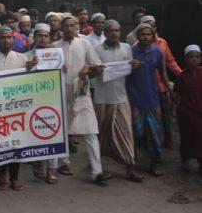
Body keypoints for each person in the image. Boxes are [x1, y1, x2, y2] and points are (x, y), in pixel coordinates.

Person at [53, 16, 111, 183]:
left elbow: (98, 67)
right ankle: (63, 162)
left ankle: (97, 171)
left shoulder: (85, 44)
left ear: (77, 27)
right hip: (61, 93)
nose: (70, 29)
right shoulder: (55, 47)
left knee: (90, 131)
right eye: (67, 26)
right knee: (62, 130)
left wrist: (89, 67)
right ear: (61, 28)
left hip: (82, 92)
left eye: (73, 25)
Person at [0, 26, 36, 192]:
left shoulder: (21, 58)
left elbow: (30, 79)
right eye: (3, 38)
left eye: (9, 37)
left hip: (17, 110)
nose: (6, 41)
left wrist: (32, 67)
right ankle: (1, 173)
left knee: (17, 144)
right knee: (1, 144)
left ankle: (14, 178)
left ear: (14, 39)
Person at [93, 20, 143, 182]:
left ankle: (130, 167)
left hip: (121, 98)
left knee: (126, 134)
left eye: (117, 31)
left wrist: (133, 67)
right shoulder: (96, 49)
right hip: (101, 98)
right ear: (105, 33)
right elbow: (92, 74)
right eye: (111, 31)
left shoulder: (127, 48)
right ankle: (96, 166)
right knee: (100, 134)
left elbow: (128, 72)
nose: (114, 34)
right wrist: (96, 69)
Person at [126, 23, 170, 177]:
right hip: (134, 98)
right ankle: (132, 164)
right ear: (137, 36)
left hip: (152, 98)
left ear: (152, 36)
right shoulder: (129, 52)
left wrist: (169, 91)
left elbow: (163, 73)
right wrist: (130, 69)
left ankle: (154, 163)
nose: (146, 37)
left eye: (148, 34)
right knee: (135, 133)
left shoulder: (157, 53)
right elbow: (122, 74)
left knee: (155, 132)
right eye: (142, 34)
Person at [140, 15, 182, 148]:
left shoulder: (162, 43)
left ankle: (168, 141)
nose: (151, 29)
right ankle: (149, 142)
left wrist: (182, 75)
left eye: (153, 26)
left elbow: (170, 62)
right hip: (146, 87)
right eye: (147, 26)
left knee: (166, 114)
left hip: (162, 86)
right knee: (149, 116)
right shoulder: (137, 46)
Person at [24, 23, 58, 184]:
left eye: (46, 36)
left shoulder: (57, 54)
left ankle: (52, 169)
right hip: (33, 100)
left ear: (49, 37)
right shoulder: (26, 56)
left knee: (54, 133)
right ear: (34, 37)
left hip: (53, 99)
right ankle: (37, 163)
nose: (43, 39)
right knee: (35, 132)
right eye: (40, 36)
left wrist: (62, 67)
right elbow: (21, 77)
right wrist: (29, 66)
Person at [175, 45, 202, 174]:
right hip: (185, 112)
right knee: (186, 137)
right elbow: (176, 94)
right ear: (186, 59)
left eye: (197, 57)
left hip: (200, 112)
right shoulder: (181, 76)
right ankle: (185, 159)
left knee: (200, 137)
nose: (194, 60)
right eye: (191, 57)